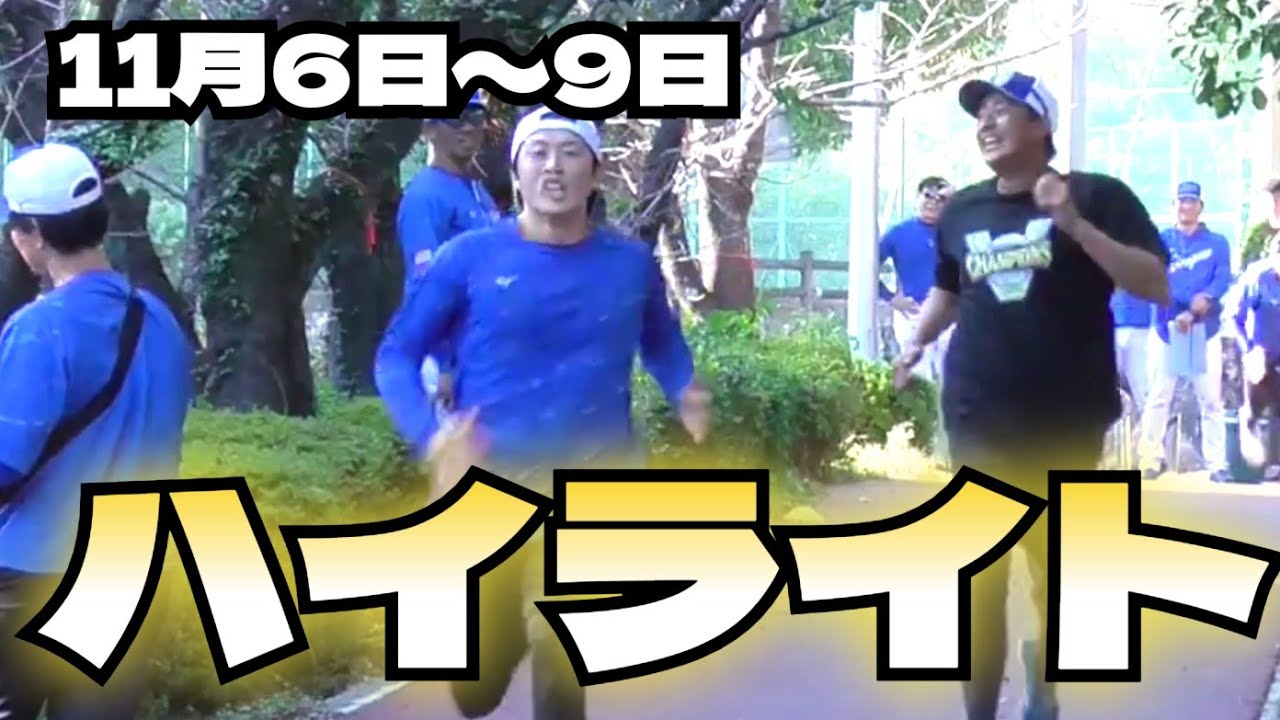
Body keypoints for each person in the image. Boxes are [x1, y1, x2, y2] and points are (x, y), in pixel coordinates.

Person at [374, 105, 711, 720]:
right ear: (517, 171)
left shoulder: (630, 264)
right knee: (476, 688)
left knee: (563, 653)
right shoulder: (468, 259)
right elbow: (396, 355)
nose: (554, 167)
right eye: (538, 153)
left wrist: (683, 387)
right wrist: (430, 435)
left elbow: (661, 341)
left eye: (570, 153)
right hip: (492, 487)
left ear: (595, 173)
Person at [892, 70, 1170, 720]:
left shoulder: (1097, 196)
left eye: (1001, 111)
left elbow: (1154, 282)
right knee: (979, 579)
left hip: (1065, 421)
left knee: (1053, 571)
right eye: (980, 115)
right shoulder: (962, 210)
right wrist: (915, 342)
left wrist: (1074, 225)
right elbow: (949, 289)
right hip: (978, 414)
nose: (985, 124)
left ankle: (1044, 676)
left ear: (1041, 125)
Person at [0, 143, 194, 720]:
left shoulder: (41, 329)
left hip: (35, 572)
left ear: (33, 234)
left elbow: (7, 461)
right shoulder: (159, 319)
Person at [396, 91, 502, 412]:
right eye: (455, 118)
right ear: (429, 129)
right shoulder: (425, 196)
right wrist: (444, 363)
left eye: (475, 117)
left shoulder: (477, 191)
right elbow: (425, 285)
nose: (467, 127)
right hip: (449, 364)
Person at [1136, 181, 1232, 482]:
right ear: (1173, 206)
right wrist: (1183, 307)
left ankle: (1217, 464)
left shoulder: (1217, 242)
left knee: (1210, 400)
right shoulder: (1161, 240)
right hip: (1169, 328)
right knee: (1159, 397)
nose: (1185, 206)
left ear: (1200, 206)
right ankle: (1150, 460)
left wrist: (1201, 304)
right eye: (1181, 201)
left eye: (1191, 201)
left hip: (1204, 329)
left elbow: (1222, 278)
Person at [879, 176, 954, 384]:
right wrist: (891, 298)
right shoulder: (898, 234)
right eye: (928, 196)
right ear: (918, 198)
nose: (933, 202)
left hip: (951, 316)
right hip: (912, 314)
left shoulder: (957, 233)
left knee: (952, 376)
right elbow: (868, 266)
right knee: (918, 378)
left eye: (940, 198)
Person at [1225, 235, 1280, 479]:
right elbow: (1233, 317)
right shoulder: (1256, 277)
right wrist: (1248, 350)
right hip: (1260, 353)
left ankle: (1276, 463)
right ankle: (1247, 463)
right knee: (1253, 412)